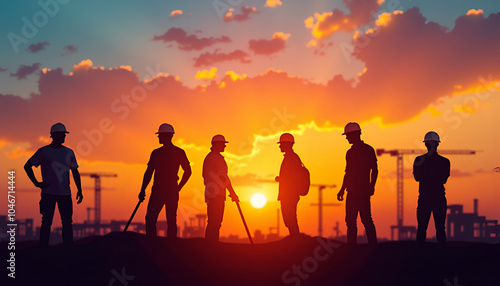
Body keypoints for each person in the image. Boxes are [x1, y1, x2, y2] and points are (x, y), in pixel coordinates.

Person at [24, 123, 83, 247]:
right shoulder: (43, 152)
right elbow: (27, 166)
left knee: (67, 223)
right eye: (61, 135)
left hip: (64, 194)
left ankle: (68, 249)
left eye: (64, 135)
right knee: (46, 222)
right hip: (48, 194)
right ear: (54, 136)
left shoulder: (69, 152)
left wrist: (79, 190)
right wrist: (36, 183)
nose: (63, 137)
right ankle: (43, 248)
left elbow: (75, 172)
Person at [139, 123, 191, 238]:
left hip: (159, 190)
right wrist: (178, 187)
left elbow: (149, 173)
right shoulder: (179, 152)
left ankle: (152, 244)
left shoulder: (156, 153)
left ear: (166, 136)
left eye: (159, 135)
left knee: (151, 218)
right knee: (171, 220)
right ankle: (171, 245)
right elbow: (188, 172)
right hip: (171, 190)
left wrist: (143, 190)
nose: (158, 137)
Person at [337, 122, 378, 245]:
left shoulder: (368, 150)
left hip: (363, 192)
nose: (346, 138)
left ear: (355, 134)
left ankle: (373, 246)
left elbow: (374, 170)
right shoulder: (350, 153)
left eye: (348, 135)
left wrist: (372, 186)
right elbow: (348, 173)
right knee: (350, 221)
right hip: (352, 192)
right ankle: (352, 247)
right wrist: (342, 189)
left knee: (366, 219)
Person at [413, 131, 450, 247]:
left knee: (422, 228)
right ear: (438, 144)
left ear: (425, 144)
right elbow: (443, 179)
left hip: (425, 198)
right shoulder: (444, 162)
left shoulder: (419, 160)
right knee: (440, 228)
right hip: (438, 198)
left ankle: (419, 254)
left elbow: (417, 177)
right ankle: (442, 253)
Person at [203, 134, 239, 242]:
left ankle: (210, 244)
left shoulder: (209, 157)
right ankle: (213, 245)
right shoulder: (217, 158)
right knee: (216, 222)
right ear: (217, 145)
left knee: (212, 222)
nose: (224, 146)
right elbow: (224, 178)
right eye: (223, 144)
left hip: (211, 193)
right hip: (217, 194)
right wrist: (233, 193)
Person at [275, 133, 304, 237]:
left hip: (290, 195)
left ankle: (296, 240)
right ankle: (295, 239)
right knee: (289, 220)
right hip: (287, 195)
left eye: (281, 144)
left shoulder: (292, 158)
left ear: (287, 144)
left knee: (290, 219)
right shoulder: (290, 158)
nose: (279, 146)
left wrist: (281, 179)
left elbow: (293, 178)